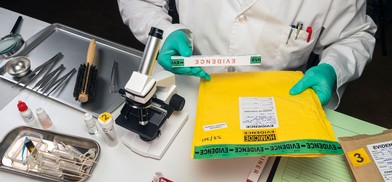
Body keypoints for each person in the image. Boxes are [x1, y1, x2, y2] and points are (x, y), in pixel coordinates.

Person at [117, 0, 376, 109]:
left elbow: (354, 36)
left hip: (276, 106)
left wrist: (332, 68)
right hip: (188, 90)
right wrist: (164, 32)